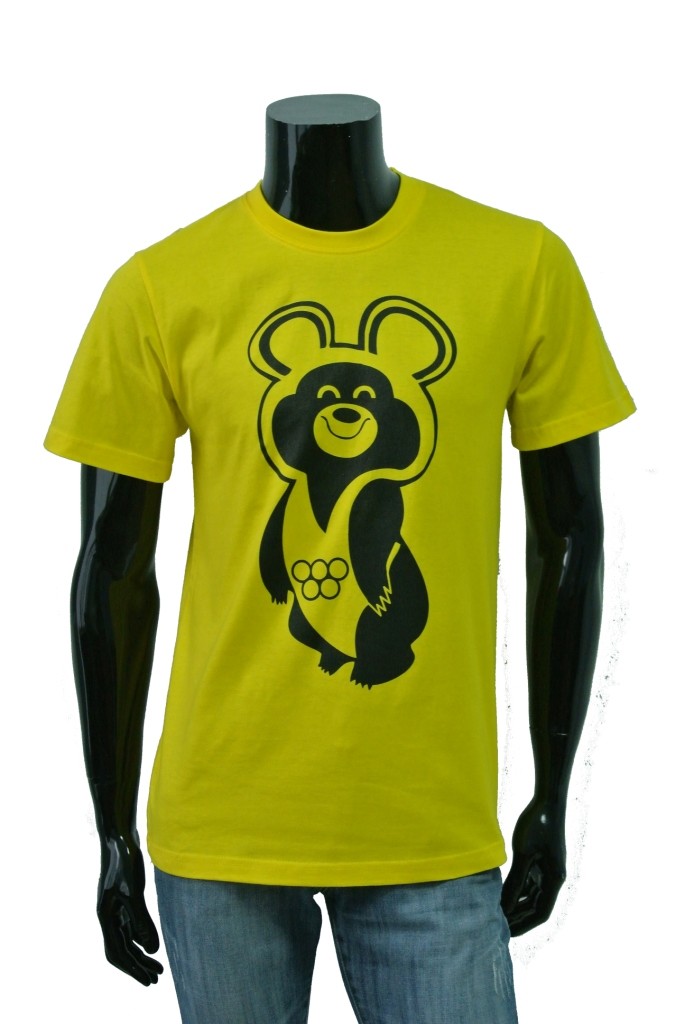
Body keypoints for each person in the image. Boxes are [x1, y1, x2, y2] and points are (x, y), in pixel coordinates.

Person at [43, 93, 636, 1023]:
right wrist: (111, 830)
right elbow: (111, 570)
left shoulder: (518, 266)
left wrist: (552, 796)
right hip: (222, 824)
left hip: (429, 828)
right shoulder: (161, 286)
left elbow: (569, 536)